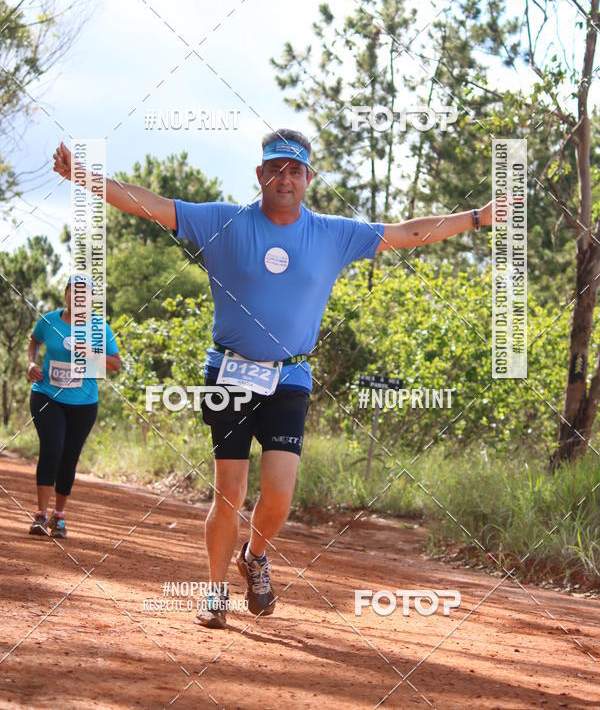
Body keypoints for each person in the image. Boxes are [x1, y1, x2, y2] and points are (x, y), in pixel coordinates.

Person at [52, 129, 492, 625]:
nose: (286, 178)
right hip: (228, 373)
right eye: (276, 169)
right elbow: (148, 204)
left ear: (309, 179)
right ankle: (215, 593)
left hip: (290, 377)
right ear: (260, 174)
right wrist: (83, 177)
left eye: (295, 170)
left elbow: (408, 233)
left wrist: (477, 218)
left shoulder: (333, 234)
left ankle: (255, 555)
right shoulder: (222, 221)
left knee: (280, 495)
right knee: (230, 491)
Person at [27, 274, 121, 538]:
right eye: (73, 291)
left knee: (69, 456)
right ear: (66, 294)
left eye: (84, 293)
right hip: (47, 395)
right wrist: (31, 363)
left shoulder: (100, 327)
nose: (78, 297)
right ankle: (40, 514)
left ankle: (59, 516)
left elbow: (116, 364)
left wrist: (91, 353)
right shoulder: (49, 321)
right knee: (52, 448)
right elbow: (34, 341)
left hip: (83, 403)